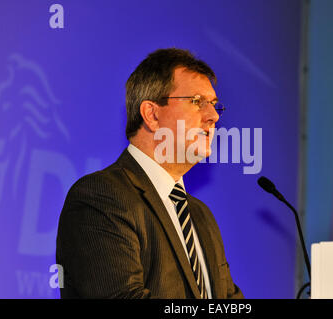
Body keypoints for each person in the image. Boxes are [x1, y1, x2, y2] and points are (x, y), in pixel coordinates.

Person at [56, 48, 244, 299]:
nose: (212, 117)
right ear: (152, 114)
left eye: (214, 105)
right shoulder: (100, 198)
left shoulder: (201, 216)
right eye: (197, 101)